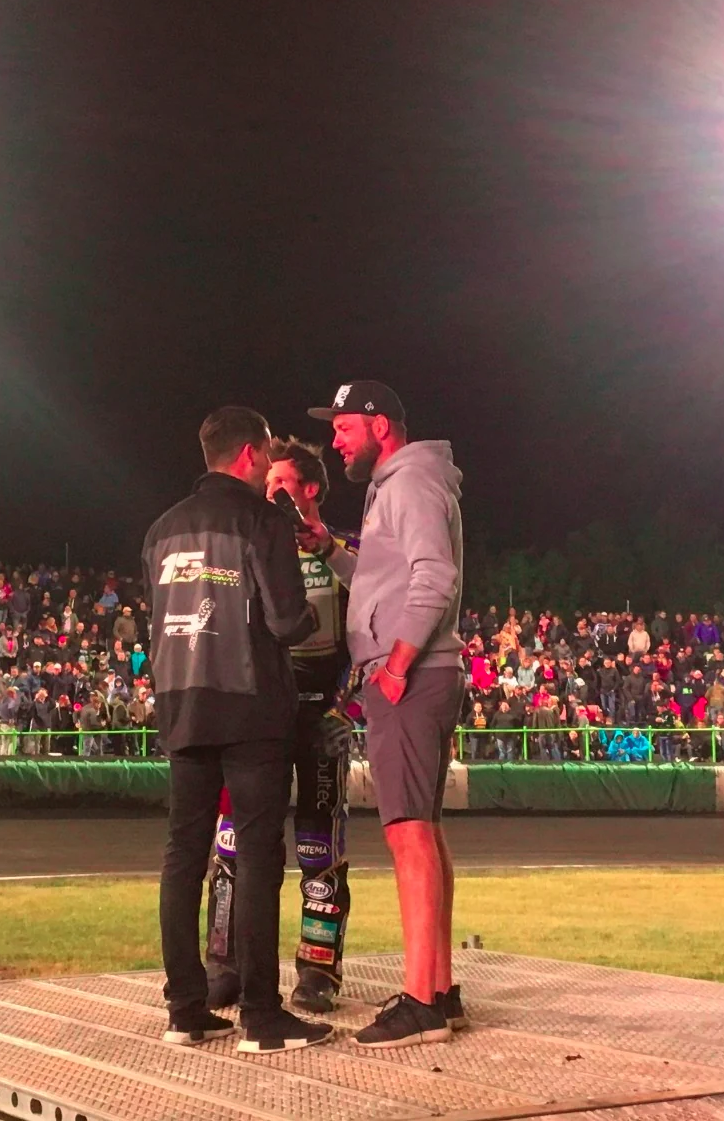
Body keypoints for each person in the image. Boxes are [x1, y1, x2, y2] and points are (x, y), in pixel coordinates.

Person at [146, 406, 328, 1054]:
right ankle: (261, 1013)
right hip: (250, 708)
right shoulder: (262, 520)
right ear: (251, 455)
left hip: (181, 704)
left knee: (183, 856)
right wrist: (310, 620)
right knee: (256, 858)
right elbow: (284, 621)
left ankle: (184, 1010)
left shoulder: (161, 530)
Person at [299, 381, 468, 1048]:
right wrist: (328, 548)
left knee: (406, 833)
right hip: (418, 669)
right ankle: (441, 988)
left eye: (342, 428)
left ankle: (422, 999)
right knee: (421, 828)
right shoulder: (400, 482)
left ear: (378, 424)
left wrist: (395, 663)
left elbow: (435, 575)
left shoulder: (409, 482)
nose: (335, 441)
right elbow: (386, 574)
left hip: (412, 673)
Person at [203, 436, 353, 1015]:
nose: (269, 494)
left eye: (281, 485)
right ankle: (226, 963)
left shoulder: (346, 552)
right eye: (266, 484)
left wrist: (348, 711)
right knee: (233, 844)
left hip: (320, 721)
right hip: (258, 719)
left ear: (311, 489)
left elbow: (378, 632)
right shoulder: (249, 547)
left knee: (318, 848)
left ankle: (318, 970)